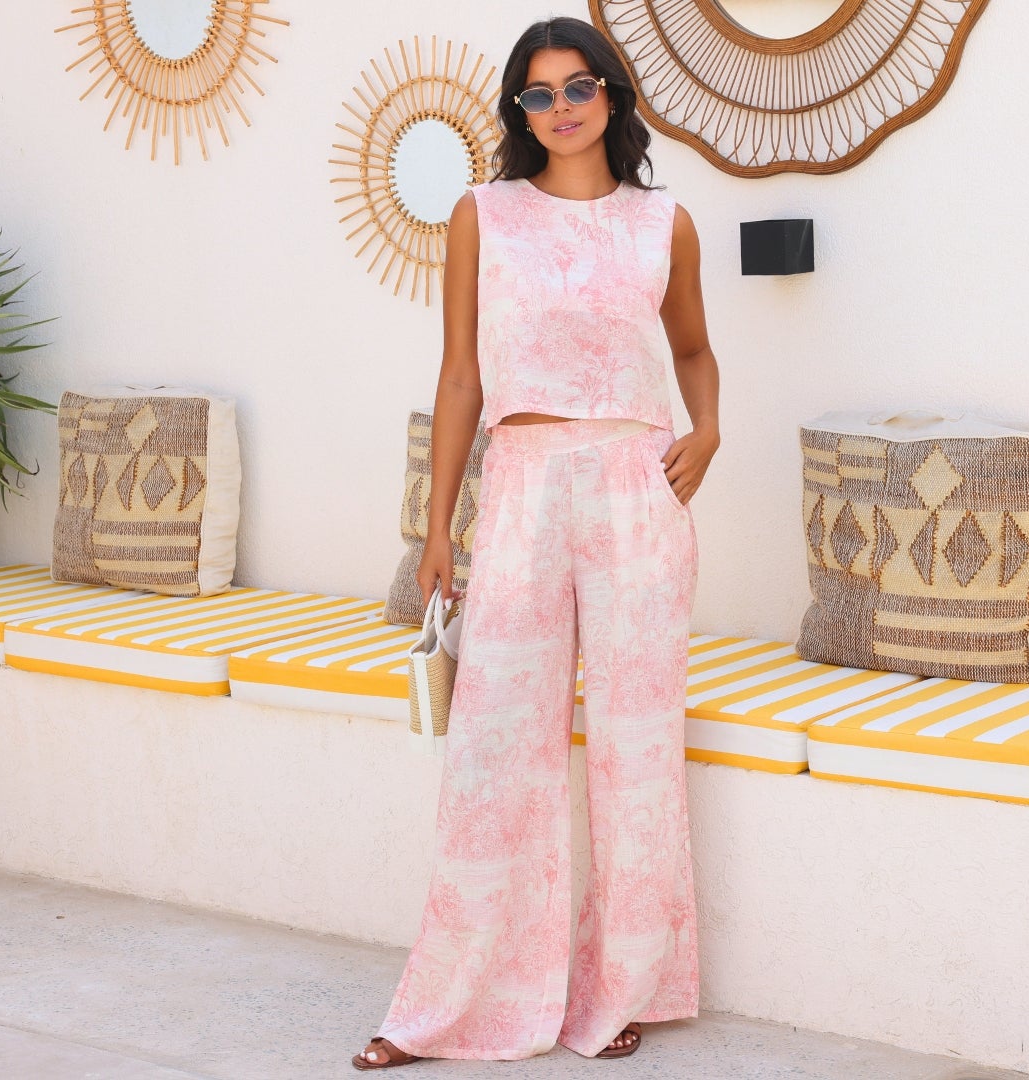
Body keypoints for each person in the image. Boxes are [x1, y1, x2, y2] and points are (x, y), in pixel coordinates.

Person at [353, 14, 723, 1071]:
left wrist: (710, 432)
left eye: (578, 88)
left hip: (635, 492)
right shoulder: (484, 215)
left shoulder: (666, 223)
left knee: (636, 750)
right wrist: (439, 525)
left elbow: (693, 349)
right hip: (518, 486)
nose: (560, 108)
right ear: (520, 111)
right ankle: (444, 1008)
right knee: (493, 751)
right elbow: (461, 376)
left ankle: (622, 992)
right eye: (538, 94)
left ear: (612, 95)